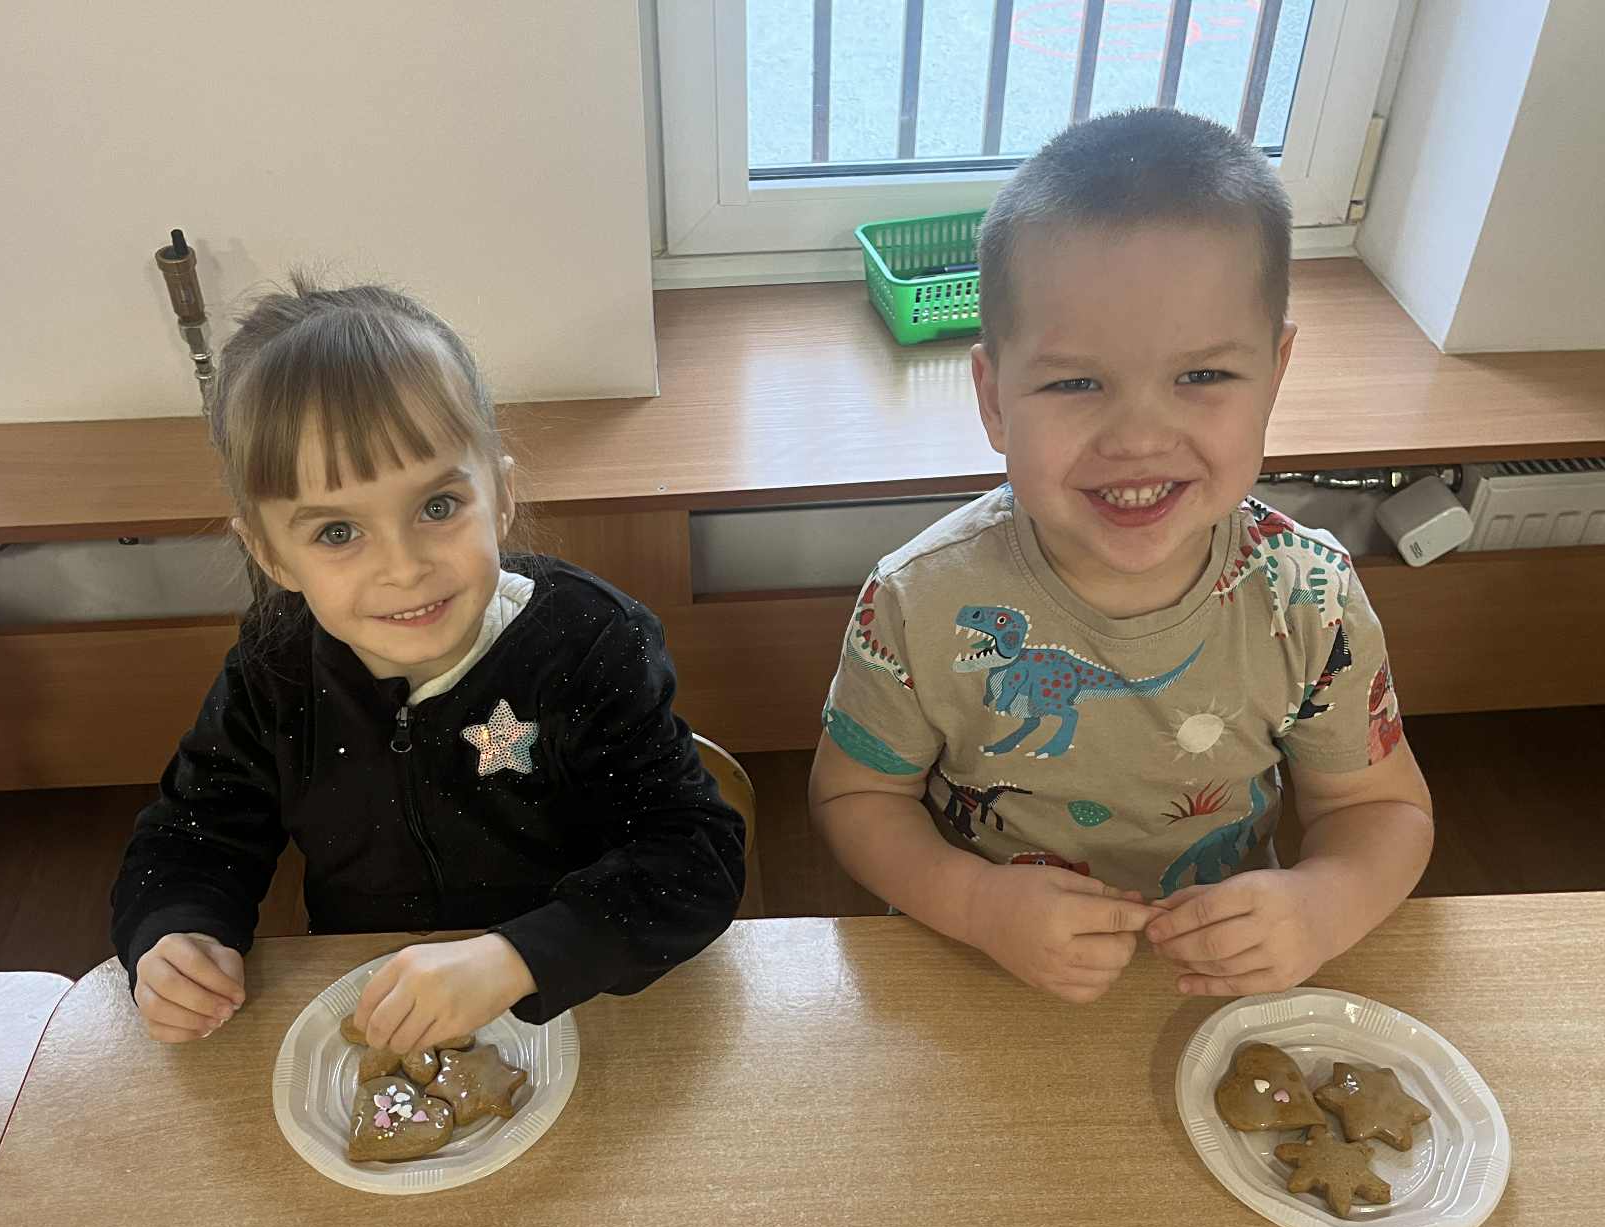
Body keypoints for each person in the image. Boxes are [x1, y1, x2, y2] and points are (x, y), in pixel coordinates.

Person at [810, 107, 1433, 1005]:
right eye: (1075, 382)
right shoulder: (916, 599)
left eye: (1202, 376)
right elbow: (855, 798)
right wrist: (976, 904)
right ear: (993, 399)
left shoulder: (1312, 597)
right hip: (981, 962)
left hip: (1214, 979)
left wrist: (1324, 905)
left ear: (1275, 373)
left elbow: (1379, 808)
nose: (1139, 437)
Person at [112, 279, 745, 1048]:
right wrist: (175, 930)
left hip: (576, 993)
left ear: (501, 496)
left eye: (438, 507)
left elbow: (695, 858)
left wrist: (519, 957)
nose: (404, 568)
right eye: (338, 532)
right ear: (270, 553)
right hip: (370, 994)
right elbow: (192, 835)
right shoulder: (274, 671)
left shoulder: (589, 644)